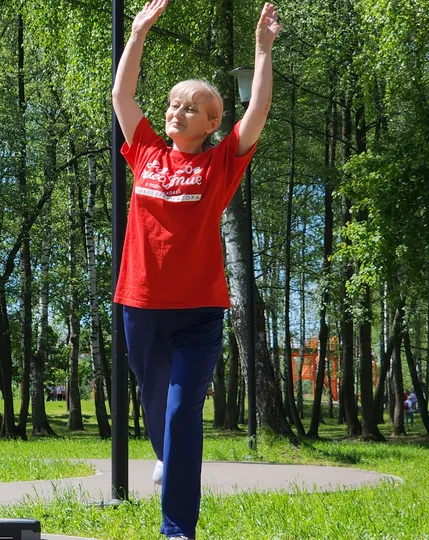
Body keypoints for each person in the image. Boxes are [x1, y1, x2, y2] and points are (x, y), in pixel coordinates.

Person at [111, 2, 281, 538]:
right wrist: (137, 33)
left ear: (213, 123)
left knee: (184, 414)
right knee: (156, 403)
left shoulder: (219, 163)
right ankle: (166, 456)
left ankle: (177, 529)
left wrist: (262, 51)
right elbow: (122, 96)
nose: (178, 110)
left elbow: (258, 113)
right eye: (174, 103)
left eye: (193, 107)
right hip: (139, 304)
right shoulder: (146, 153)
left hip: (200, 314)